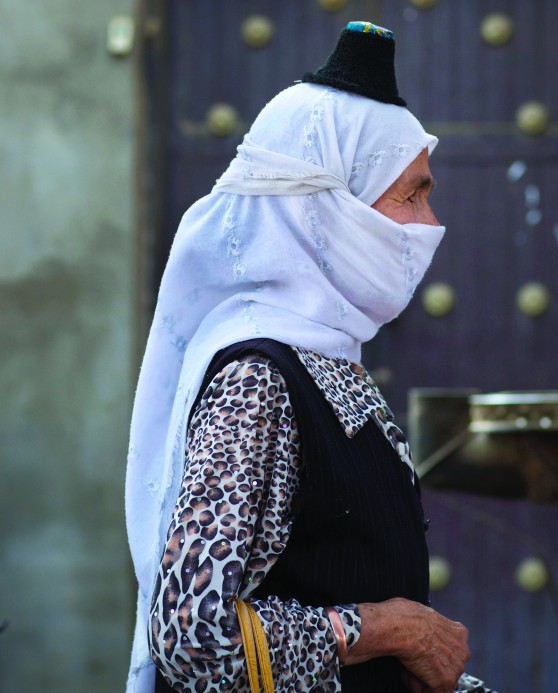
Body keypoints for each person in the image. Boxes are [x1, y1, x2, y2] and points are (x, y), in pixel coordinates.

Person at [124, 21, 495, 693]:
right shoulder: (257, 382)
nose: (430, 223)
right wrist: (384, 628)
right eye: (411, 192)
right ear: (329, 207)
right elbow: (192, 636)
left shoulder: (327, 357)